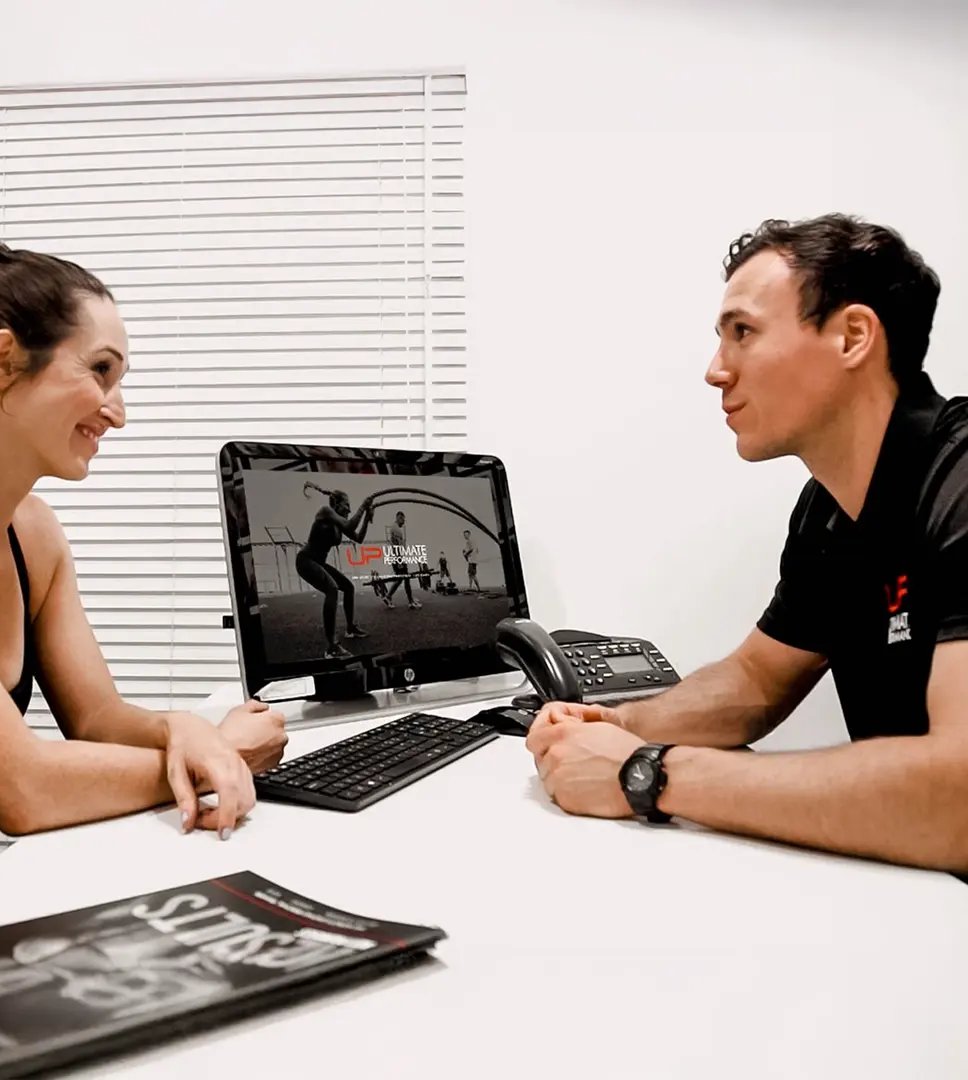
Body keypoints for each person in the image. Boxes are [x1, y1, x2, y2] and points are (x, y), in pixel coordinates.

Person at [526, 213, 968, 876]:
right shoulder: (830, 508)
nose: (714, 371)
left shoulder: (959, 479)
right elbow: (756, 681)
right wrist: (620, 725)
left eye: (744, 333)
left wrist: (647, 773)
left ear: (852, 336)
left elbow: (959, 798)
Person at [0, 212, 288, 933]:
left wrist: (180, 728)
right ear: (5, 360)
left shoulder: (33, 534)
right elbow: (18, 790)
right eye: (99, 370)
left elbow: (96, 720)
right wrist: (216, 755)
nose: (119, 412)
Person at [295, 483, 372, 657]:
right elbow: (352, 525)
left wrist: (367, 516)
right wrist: (363, 506)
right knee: (332, 589)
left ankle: (351, 628)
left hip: (318, 563)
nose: (350, 509)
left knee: (348, 587)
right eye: (347, 504)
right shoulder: (326, 511)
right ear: (337, 504)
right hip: (306, 561)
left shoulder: (340, 523)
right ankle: (332, 647)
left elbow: (358, 537)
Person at [382, 511, 421, 610]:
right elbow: (398, 547)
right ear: (399, 517)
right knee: (406, 578)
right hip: (397, 557)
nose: (404, 521)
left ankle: (388, 596)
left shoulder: (394, 528)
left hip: (395, 557)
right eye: (403, 519)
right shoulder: (397, 530)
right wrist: (399, 560)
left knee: (400, 579)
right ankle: (410, 602)